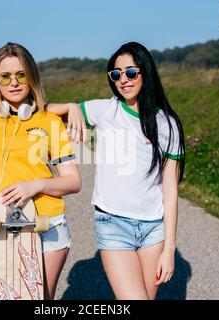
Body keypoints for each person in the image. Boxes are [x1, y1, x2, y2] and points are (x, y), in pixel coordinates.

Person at [47, 42, 186, 300]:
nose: (123, 80)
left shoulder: (168, 124)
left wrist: (169, 248)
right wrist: (71, 106)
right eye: (116, 74)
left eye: (131, 72)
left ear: (146, 72)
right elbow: (43, 112)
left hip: (154, 229)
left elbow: (170, 190)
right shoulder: (104, 110)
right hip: (113, 225)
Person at [0, 42, 81, 300]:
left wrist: (36, 185)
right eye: (5, 76)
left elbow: (73, 181)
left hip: (45, 227)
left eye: (21, 75)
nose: (14, 83)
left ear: (32, 76)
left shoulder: (49, 121)